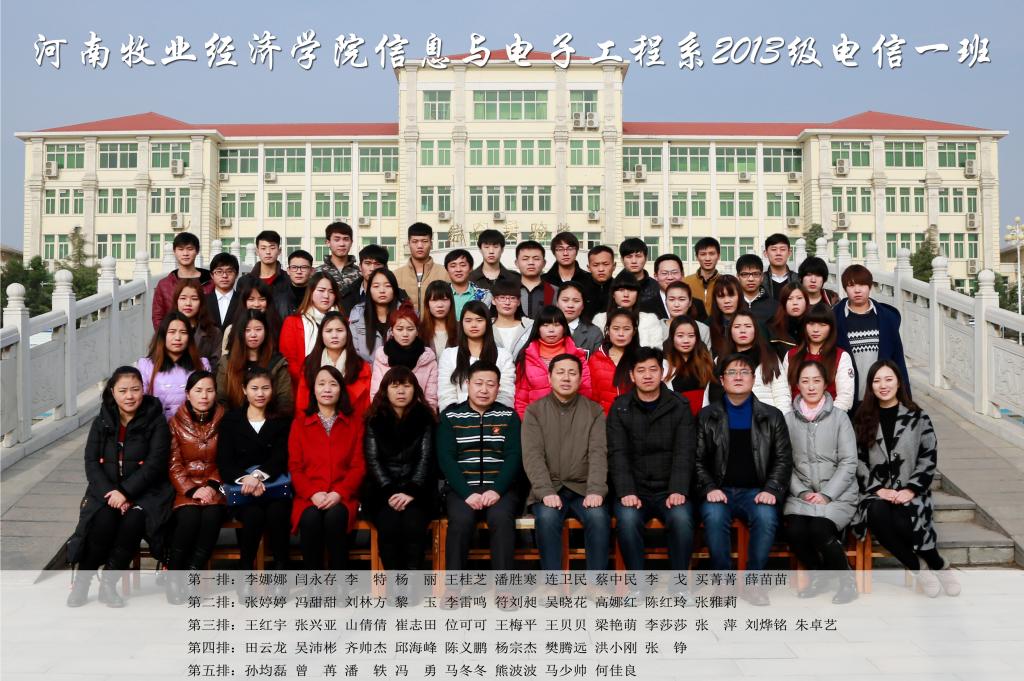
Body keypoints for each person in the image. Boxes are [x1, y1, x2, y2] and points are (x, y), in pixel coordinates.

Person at [66, 366, 174, 608]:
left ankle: (108, 583)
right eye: (123, 390)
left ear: (143, 390)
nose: (130, 396)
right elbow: (91, 462)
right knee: (102, 522)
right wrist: (112, 494)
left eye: (135, 389)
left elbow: (155, 464)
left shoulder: (156, 421)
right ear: (112, 392)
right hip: (107, 492)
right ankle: (83, 582)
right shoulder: (101, 421)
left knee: (133, 523)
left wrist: (125, 493)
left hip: (146, 493)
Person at [851, 360, 960, 597]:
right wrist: (878, 489)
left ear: (899, 382)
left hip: (912, 490)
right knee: (877, 514)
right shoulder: (862, 418)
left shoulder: (918, 417)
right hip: (876, 492)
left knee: (905, 519)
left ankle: (939, 565)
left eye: (888, 379)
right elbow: (857, 460)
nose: (883, 385)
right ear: (870, 386)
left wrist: (911, 489)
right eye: (877, 381)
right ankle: (918, 568)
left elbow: (928, 456)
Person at [695, 353, 793, 605]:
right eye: (731, 372)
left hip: (757, 492)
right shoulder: (707, 416)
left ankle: (754, 583)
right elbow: (696, 460)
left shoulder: (772, 416)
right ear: (721, 380)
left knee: (766, 516)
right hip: (720, 491)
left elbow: (783, 460)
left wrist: (771, 489)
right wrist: (709, 487)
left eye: (744, 372)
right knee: (714, 516)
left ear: (753, 378)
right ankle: (724, 583)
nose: (738, 377)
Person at [607, 347, 697, 572]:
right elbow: (618, 453)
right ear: (632, 375)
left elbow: (684, 451)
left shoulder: (679, 405)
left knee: (682, 520)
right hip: (635, 490)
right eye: (641, 370)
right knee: (627, 521)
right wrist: (627, 491)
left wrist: (678, 489)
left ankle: (679, 583)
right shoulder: (620, 407)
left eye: (653, 370)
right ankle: (638, 584)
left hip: (669, 489)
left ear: (662, 372)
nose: (647, 375)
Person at [522, 354, 610, 571]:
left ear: (580, 378)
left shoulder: (594, 411)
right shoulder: (534, 411)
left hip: (583, 489)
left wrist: (595, 490)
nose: (566, 378)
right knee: (547, 518)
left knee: (598, 517)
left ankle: (596, 582)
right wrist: (545, 492)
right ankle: (553, 582)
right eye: (560, 372)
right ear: (549, 377)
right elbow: (533, 456)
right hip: (550, 488)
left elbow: (598, 454)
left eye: (572, 373)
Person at [783, 360, 859, 604]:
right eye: (805, 381)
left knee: (819, 529)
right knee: (793, 530)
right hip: (802, 494)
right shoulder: (788, 420)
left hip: (838, 494)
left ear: (826, 384)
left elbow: (849, 461)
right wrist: (802, 492)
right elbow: (784, 464)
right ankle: (819, 573)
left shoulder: (840, 418)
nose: (811, 386)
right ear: (797, 385)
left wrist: (827, 494)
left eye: (816, 381)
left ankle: (847, 581)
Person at [436, 361, 522, 570]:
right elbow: (446, 459)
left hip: (500, 489)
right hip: (462, 489)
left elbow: (514, 456)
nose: (484, 390)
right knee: (460, 521)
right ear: (467, 384)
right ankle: (454, 584)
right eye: (478, 383)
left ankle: (504, 585)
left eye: (490, 385)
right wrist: (467, 493)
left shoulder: (508, 417)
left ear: (498, 388)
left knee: (501, 519)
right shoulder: (451, 416)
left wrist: (497, 490)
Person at [216, 367, 292, 574]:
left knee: (277, 513)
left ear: (272, 390)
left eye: (265, 388)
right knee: (253, 515)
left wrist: (257, 477)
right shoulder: (231, 421)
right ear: (244, 390)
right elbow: (225, 462)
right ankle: (246, 570)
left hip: (274, 486)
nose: (260, 393)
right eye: (255, 388)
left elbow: (281, 457)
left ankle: (281, 570)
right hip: (243, 489)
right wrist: (246, 480)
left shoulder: (282, 420)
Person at [289, 365, 365, 570]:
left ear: (341, 389)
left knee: (335, 517)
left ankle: (338, 580)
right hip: (309, 496)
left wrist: (339, 493)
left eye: (333, 384)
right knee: (310, 518)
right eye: (321, 384)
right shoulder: (299, 424)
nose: (327, 389)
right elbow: (295, 468)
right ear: (313, 390)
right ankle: (314, 580)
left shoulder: (355, 423)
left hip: (343, 495)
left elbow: (358, 466)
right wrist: (312, 493)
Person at [363, 366, 437, 570]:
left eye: (407, 386)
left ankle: (412, 580)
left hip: (417, 491)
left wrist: (411, 491)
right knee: (388, 525)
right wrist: (390, 492)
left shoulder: (425, 417)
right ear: (385, 390)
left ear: (415, 390)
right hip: (382, 492)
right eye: (395, 386)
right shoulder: (374, 419)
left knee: (414, 525)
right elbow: (373, 460)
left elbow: (426, 458)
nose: (401, 391)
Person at [165, 370, 227, 604]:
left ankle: (192, 574)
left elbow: (228, 459)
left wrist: (212, 485)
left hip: (216, 487)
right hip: (186, 488)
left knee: (212, 517)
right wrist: (192, 489)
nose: (204, 396)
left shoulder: (226, 420)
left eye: (209, 390)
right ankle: (174, 577)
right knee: (189, 519)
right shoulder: (175, 423)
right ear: (188, 394)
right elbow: (173, 463)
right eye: (198, 390)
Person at [835, 264, 911, 408]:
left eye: (862, 285)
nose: (857, 290)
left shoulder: (886, 318)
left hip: (882, 398)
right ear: (845, 288)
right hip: (847, 398)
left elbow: (898, 360)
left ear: (870, 287)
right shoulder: (835, 318)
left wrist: (907, 400)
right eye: (851, 285)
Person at [513, 305, 592, 417]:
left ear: (564, 328)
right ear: (538, 329)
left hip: (571, 420)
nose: (551, 330)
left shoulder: (577, 356)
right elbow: (521, 399)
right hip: (537, 420)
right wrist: (526, 423)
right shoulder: (527, 357)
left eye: (556, 325)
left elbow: (586, 392)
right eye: (545, 325)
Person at [437, 301, 515, 411]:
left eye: (479, 320)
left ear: (487, 323)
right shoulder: (449, 355)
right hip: (457, 417)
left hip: (495, 417)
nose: (473, 325)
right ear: (461, 323)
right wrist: (457, 416)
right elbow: (446, 394)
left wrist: (493, 416)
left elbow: (506, 394)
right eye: (468, 320)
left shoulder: (503, 356)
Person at [296, 311, 372, 418]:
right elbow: (302, 403)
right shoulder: (310, 363)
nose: (334, 335)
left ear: (348, 333)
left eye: (339, 330)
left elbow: (366, 406)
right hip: (314, 424)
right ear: (321, 334)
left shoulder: (361, 366)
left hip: (353, 423)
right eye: (328, 331)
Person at [137, 312, 211, 421]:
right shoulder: (146, 365)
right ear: (163, 335)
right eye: (172, 332)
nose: (177, 338)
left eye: (183, 332)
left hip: (192, 426)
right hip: (157, 425)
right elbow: (140, 403)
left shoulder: (201, 364)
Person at [216, 310, 293, 413]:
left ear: (266, 331)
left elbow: (285, 401)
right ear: (240, 333)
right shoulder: (227, 362)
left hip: (270, 418)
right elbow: (221, 400)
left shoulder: (277, 362)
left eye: (258, 329)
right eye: (247, 330)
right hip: (233, 419)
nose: (253, 335)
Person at [782, 304, 855, 412]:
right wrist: (791, 417)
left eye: (822, 325)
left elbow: (845, 397)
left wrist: (827, 418)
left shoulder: (841, 356)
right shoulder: (791, 355)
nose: (816, 330)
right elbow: (784, 394)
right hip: (795, 417)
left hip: (831, 417)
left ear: (831, 327)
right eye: (811, 324)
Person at [278, 272, 341, 396]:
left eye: (331, 291)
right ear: (311, 292)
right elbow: (289, 360)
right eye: (321, 290)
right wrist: (311, 382)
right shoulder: (292, 322)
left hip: (338, 387)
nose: (326, 296)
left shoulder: (344, 322)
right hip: (303, 387)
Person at [370, 302, 439, 411]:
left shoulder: (428, 358)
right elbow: (376, 395)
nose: (405, 334)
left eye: (410, 329)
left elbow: (431, 399)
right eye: (399, 329)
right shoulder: (382, 357)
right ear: (392, 331)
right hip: (387, 416)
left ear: (417, 331)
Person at [725, 310, 792, 414]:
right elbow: (711, 398)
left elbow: (782, 396)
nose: (742, 331)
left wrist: (779, 422)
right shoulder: (721, 360)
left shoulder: (769, 357)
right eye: (737, 326)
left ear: (756, 330)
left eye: (748, 326)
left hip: (767, 420)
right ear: (730, 331)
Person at [663, 316, 722, 418]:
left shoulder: (707, 362)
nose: (686, 340)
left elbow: (716, 395)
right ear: (672, 337)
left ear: (697, 338)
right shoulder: (664, 363)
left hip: (704, 419)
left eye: (691, 336)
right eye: (680, 336)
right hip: (675, 419)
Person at [153, 232, 213, 330]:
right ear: (174, 251)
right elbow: (158, 317)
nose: (185, 254)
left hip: (205, 335)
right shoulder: (164, 284)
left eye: (190, 249)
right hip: (175, 337)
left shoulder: (210, 281)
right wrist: (167, 336)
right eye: (181, 249)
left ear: (197, 251)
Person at [591, 272, 665, 349]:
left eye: (631, 290)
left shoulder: (649, 320)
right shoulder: (600, 319)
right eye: (621, 290)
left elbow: (657, 350)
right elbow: (595, 349)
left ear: (637, 294)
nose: (626, 295)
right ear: (613, 294)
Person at [588, 308, 640, 414]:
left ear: (634, 331)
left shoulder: (642, 358)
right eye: (616, 328)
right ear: (608, 330)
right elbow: (592, 398)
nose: (621, 334)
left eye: (626, 329)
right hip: (604, 419)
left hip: (635, 419)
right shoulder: (595, 359)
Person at [235, 230, 293, 321]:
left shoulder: (288, 279)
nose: (268, 252)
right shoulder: (244, 281)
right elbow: (240, 310)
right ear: (257, 251)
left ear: (279, 251)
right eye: (263, 248)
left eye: (272, 248)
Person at [394, 222, 449, 316]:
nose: (420, 246)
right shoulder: (396, 275)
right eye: (415, 241)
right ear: (408, 243)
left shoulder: (445, 273)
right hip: (407, 325)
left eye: (424, 241)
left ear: (431, 244)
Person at [350, 268, 403, 362]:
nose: (382, 290)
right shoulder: (357, 314)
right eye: (376, 286)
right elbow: (354, 351)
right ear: (369, 289)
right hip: (366, 369)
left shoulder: (406, 314)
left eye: (387, 286)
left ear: (394, 289)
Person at [341, 244, 409, 314]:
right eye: (368, 263)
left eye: (377, 264)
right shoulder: (347, 296)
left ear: (385, 268)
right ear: (360, 267)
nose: (372, 268)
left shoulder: (400, 297)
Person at [222, 278, 283, 354]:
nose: (256, 304)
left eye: (262, 299)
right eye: (251, 299)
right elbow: (226, 357)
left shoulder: (278, 327)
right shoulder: (231, 330)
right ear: (244, 302)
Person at [173, 278, 223, 372]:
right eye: (183, 298)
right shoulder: (166, 329)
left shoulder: (214, 333)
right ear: (176, 301)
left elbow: (216, 366)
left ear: (201, 302)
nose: (188, 303)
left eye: (194, 299)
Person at [542, 232, 594, 303]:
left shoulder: (590, 280)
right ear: (554, 253)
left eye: (570, 249)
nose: (565, 253)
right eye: (560, 249)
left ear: (576, 251)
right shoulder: (543, 281)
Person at [316, 221, 361, 301]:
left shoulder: (360, 273)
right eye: (337, 240)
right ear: (328, 242)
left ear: (351, 242)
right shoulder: (317, 273)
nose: (342, 244)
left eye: (346, 239)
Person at [491, 277, 534, 358]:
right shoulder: (486, 326)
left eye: (512, 298)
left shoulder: (530, 326)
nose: (507, 302)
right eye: (502, 298)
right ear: (493, 300)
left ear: (518, 302)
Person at [707, 274, 746, 358]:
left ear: (739, 296)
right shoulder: (707, 326)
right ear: (715, 299)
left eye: (731, 295)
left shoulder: (752, 322)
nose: (727, 301)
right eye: (721, 296)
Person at [516, 240, 557, 319]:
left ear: (544, 263)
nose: (531, 262)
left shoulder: (554, 291)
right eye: (525, 259)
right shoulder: (507, 290)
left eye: (536, 259)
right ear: (517, 263)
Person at [682, 237, 721, 321]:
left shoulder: (725, 282)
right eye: (703, 254)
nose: (707, 258)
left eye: (711, 254)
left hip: (719, 326)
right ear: (696, 257)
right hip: (692, 326)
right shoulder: (685, 282)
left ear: (718, 256)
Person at [557, 281, 602, 353]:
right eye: (565, 300)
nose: (570, 305)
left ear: (583, 305)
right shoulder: (545, 328)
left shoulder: (594, 333)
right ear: (557, 303)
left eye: (576, 301)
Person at [662, 281, 711, 347]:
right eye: (671, 299)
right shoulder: (655, 327)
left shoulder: (702, 329)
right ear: (666, 302)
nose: (676, 304)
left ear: (690, 302)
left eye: (682, 299)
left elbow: (705, 353)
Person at [767, 283, 809, 360]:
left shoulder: (814, 327)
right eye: (789, 299)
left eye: (799, 298)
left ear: (806, 301)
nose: (795, 303)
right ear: (783, 302)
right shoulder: (772, 328)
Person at [446, 248, 492, 318]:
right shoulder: (440, 294)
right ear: (447, 270)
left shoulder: (485, 295)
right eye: (453, 266)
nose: (458, 269)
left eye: (463, 265)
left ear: (471, 268)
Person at [735, 254, 779, 326]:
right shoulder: (731, 304)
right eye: (745, 274)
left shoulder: (774, 306)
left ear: (762, 277)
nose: (751, 279)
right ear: (737, 277)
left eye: (755, 274)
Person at [419, 280, 458, 358]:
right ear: (427, 303)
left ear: (451, 302)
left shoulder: (461, 329)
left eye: (444, 299)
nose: (440, 305)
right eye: (434, 300)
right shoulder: (419, 330)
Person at [618, 237, 661, 307]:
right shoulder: (614, 286)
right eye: (629, 257)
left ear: (646, 259)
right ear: (622, 260)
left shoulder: (656, 287)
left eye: (638, 256)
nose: (634, 261)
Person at [206, 252, 240, 329]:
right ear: (212, 275)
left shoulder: (243, 301)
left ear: (236, 274)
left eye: (229, 271)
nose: (224, 276)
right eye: (219, 272)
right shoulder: (203, 301)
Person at [762, 233, 800, 301]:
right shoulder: (760, 280)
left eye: (782, 249)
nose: (778, 253)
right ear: (766, 253)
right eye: (774, 249)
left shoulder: (798, 279)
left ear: (789, 253)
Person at [584, 244, 616, 319]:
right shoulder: (580, 289)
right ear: (589, 268)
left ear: (614, 266)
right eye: (595, 265)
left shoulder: (621, 289)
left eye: (606, 264)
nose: (601, 269)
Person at [283, 249, 316, 316]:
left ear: (312, 271)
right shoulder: (279, 295)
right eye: (294, 267)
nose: (299, 272)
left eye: (304, 267)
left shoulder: (317, 294)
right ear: (288, 271)